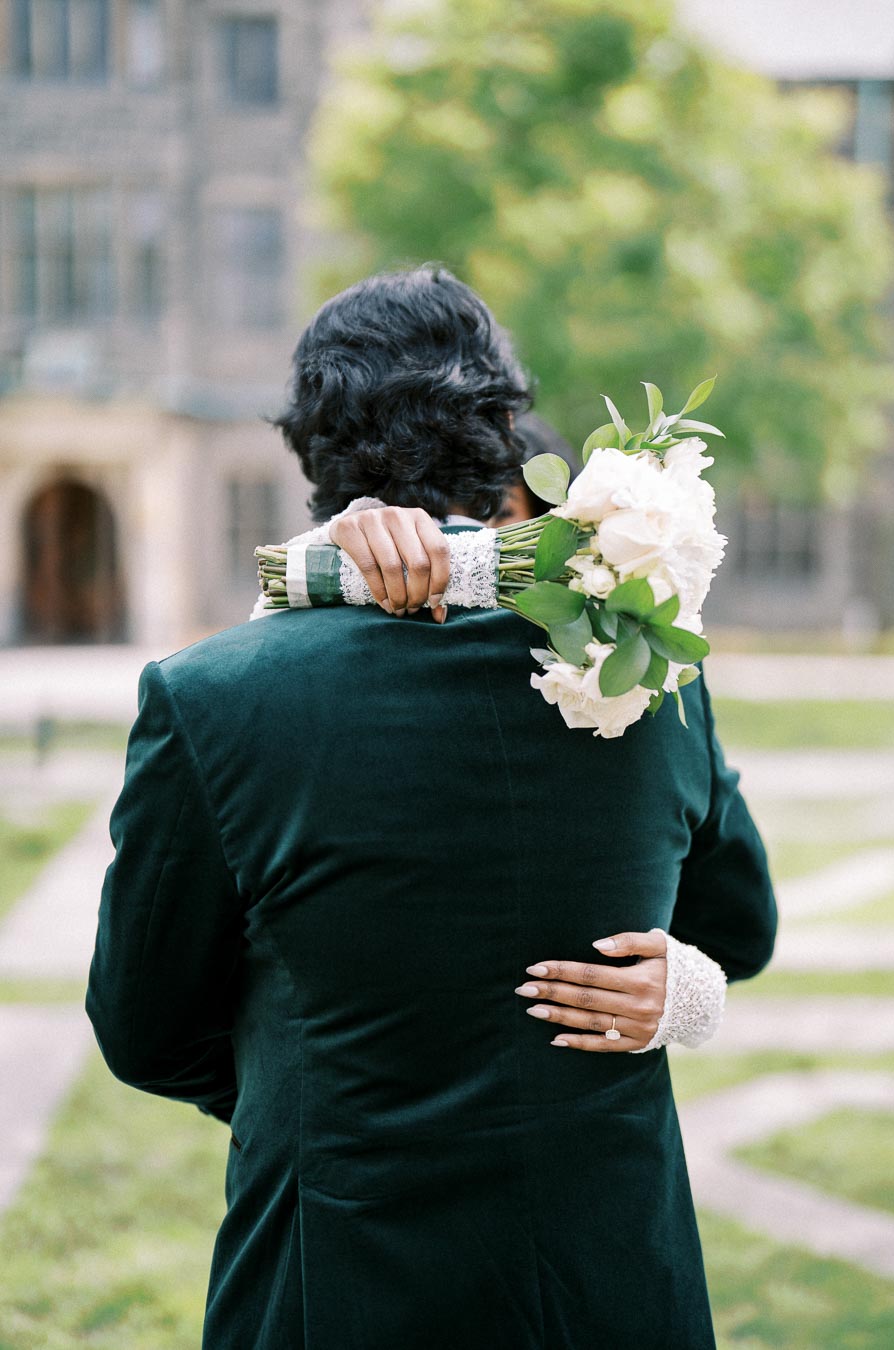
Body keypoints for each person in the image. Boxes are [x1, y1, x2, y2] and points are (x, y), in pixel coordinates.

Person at [87, 265, 777, 1349]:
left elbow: (142, 1028)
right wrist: (682, 992)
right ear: (511, 438)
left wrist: (315, 1092)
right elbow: (739, 931)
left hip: (342, 1280)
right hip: (611, 1286)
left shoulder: (210, 698)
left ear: (309, 454)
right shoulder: (646, 674)